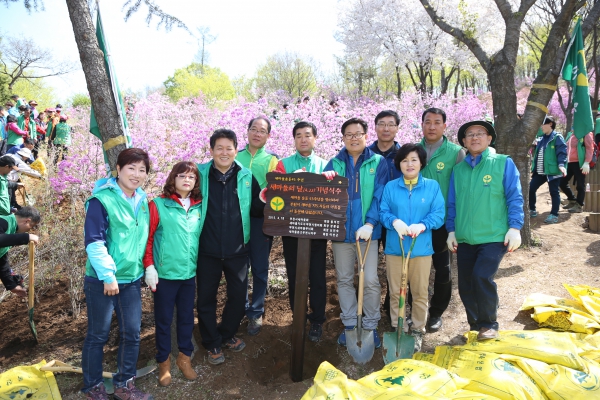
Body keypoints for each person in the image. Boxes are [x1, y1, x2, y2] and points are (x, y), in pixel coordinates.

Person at [81, 148, 153, 400]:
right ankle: (92, 387)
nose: (136, 174)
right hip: (102, 281)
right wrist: (108, 276)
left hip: (131, 280)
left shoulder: (142, 200)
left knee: (132, 334)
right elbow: (94, 242)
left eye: (142, 170)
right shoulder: (101, 200)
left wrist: (148, 269)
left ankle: (124, 385)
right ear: (119, 169)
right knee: (98, 335)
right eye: (131, 168)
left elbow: (144, 239)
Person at [447, 121, 523, 340]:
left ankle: (489, 324)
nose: (474, 138)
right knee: (465, 284)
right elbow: (452, 203)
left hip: (493, 235)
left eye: (480, 133)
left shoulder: (502, 163)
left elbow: (514, 197)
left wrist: (515, 227)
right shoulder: (458, 170)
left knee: (481, 277)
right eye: (469, 135)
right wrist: (451, 230)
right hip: (464, 237)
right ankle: (475, 325)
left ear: (489, 139)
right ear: (463, 142)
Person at [196, 129, 264, 365]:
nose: (224, 153)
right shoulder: (199, 174)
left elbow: (256, 209)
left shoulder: (247, 177)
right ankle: (211, 342)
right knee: (206, 298)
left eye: (229, 148)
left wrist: (266, 199)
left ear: (237, 150)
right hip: (207, 250)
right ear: (211, 150)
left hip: (237, 250)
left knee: (237, 297)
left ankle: (226, 334)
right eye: (219, 148)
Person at [322, 117, 389, 348]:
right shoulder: (334, 163)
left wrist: (370, 223)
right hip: (341, 234)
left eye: (357, 133)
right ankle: (350, 324)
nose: (353, 138)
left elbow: (380, 195)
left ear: (365, 136)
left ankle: (370, 325)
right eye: (348, 134)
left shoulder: (378, 162)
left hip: (367, 233)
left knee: (370, 279)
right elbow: (323, 196)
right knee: (344, 279)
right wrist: (325, 182)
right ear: (342, 138)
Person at [379, 143, 445, 351]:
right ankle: (398, 326)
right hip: (395, 248)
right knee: (396, 291)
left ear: (421, 163)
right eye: (405, 160)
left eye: (414, 160)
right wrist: (394, 222)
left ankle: (417, 329)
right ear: (399, 164)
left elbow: (438, 214)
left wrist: (423, 225)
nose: (409, 164)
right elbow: (383, 212)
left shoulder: (432, 186)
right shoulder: (391, 187)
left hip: (421, 249)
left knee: (419, 291)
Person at [143, 162, 202, 386]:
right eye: (182, 176)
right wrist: (149, 266)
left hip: (188, 275)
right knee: (164, 321)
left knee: (187, 319)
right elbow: (147, 238)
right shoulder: (158, 204)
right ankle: (164, 365)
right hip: (164, 275)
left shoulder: (198, 206)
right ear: (173, 178)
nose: (187, 180)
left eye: (191, 177)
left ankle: (184, 359)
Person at [274, 121, 328, 342]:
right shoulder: (283, 164)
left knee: (317, 276)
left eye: (307, 135)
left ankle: (317, 320)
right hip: (291, 231)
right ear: (294, 139)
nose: (303, 139)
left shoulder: (326, 165)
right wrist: (289, 181)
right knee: (295, 275)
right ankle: (298, 317)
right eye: (299, 135)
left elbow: (333, 197)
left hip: (317, 231)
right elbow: (274, 193)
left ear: (315, 138)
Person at [418, 107, 466, 332]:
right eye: (428, 121)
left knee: (443, 270)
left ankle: (436, 312)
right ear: (422, 124)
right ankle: (415, 310)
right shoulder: (413, 150)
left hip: (442, 224)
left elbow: (462, 190)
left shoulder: (456, 153)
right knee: (416, 270)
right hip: (415, 225)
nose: (432, 126)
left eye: (437, 122)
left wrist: (455, 225)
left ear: (445, 126)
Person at [236, 117, 278, 336]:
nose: (257, 134)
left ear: (268, 136)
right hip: (235, 220)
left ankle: (256, 311)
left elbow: (277, 188)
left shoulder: (271, 160)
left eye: (262, 131)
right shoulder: (235, 156)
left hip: (261, 220)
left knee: (260, 267)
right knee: (238, 267)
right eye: (253, 129)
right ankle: (240, 308)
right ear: (247, 131)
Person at [529, 116, 567, 224]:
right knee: (531, 188)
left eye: (543, 124)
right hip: (540, 171)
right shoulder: (541, 138)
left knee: (554, 192)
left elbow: (562, 152)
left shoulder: (557, 137)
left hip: (552, 170)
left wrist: (561, 165)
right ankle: (532, 209)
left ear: (550, 124)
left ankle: (554, 215)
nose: (541, 127)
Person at [0, 206, 40, 298]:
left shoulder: (11, 229)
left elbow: (2, 259)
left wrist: (12, 286)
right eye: (31, 226)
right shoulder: (3, 221)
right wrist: (26, 237)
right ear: (27, 221)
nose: (29, 230)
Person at [560, 131, 595, 213]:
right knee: (562, 182)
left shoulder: (586, 133)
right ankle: (572, 200)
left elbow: (590, 148)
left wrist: (587, 162)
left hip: (580, 163)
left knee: (580, 184)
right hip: (569, 162)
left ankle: (579, 205)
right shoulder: (571, 134)